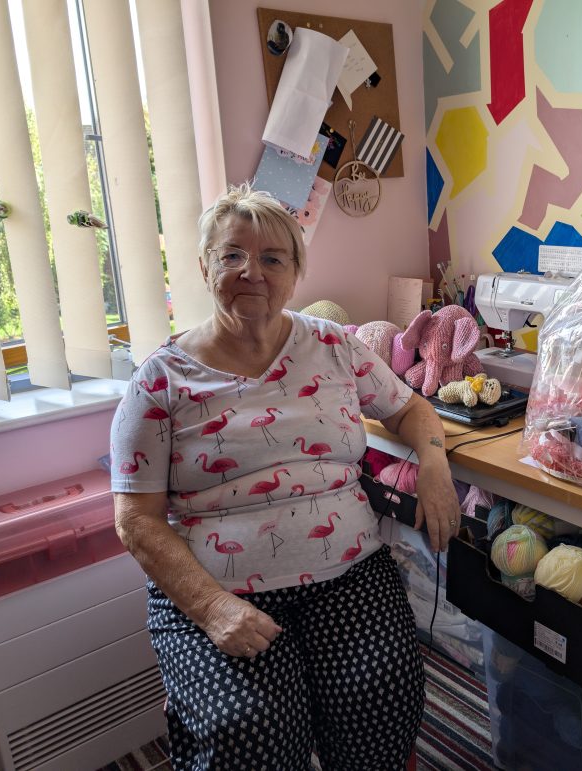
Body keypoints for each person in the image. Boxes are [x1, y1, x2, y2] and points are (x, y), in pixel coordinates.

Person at [110, 183, 460, 770]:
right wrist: (213, 609)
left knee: (381, 692)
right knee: (247, 729)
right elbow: (135, 520)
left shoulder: (332, 344)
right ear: (204, 266)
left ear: (296, 272)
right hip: (222, 587)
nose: (252, 271)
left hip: (347, 574)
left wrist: (433, 461)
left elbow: (410, 407)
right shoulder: (159, 381)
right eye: (232, 255)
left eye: (272, 258)